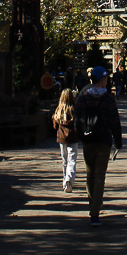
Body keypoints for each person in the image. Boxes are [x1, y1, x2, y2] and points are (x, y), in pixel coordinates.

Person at [75, 65, 122, 226]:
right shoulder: (108, 98)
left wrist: (79, 135)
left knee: (90, 174)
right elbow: (114, 121)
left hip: (88, 139)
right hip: (103, 139)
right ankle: (95, 211)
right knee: (100, 176)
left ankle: (93, 204)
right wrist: (118, 140)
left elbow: (77, 118)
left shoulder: (83, 96)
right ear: (102, 79)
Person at [52, 88, 79, 193]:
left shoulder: (59, 110)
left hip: (62, 138)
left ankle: (64, 179)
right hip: (73, 137)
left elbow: (54, 126)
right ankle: (69, 179)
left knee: (64, 160)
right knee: (72, 160)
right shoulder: (74, 110)